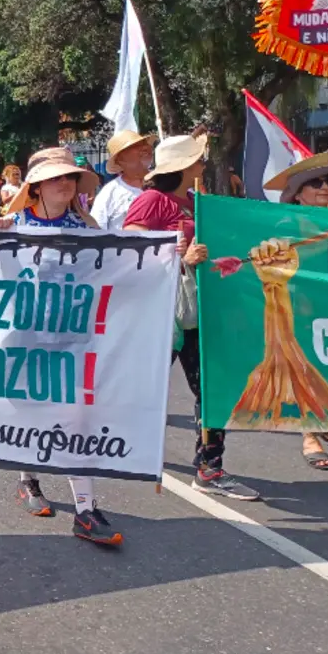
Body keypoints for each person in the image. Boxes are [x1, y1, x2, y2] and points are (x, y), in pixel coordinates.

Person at [0, 147, 121, 545]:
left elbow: (120, 267)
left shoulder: (88, 229)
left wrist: (175, 255)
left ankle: (85, 509)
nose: (65, 183)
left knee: (77, 419)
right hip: (25, 336)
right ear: (37, 187)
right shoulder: (9, 226)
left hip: (75, 336)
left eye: (71, 177)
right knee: (29, 414)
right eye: (56, 178)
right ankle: (28, 479)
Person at [123, 133, 260, 501]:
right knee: (138, 385)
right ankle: (113, 444)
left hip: (201, 312)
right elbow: (132, 249)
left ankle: (209, 468)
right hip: (163, 314)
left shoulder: (198, 202)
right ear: (184, 166)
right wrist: (179, 256)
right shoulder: (152, 201)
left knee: (213, 389)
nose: (203, 164)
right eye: (197, 159)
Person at [263, 151, 328, 469]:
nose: (325, 188)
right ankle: (309, 435)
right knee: (306, 369)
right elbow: (285, 256)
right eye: (316, 183)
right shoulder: (286, 221)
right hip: (300, 308)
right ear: (299, 193)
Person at [90, 130, 155, 231]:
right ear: (120, 159)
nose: (144, 148)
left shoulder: (168, 183)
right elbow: (96, 231)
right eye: (135, 146)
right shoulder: (109, 193)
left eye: (144, 143)